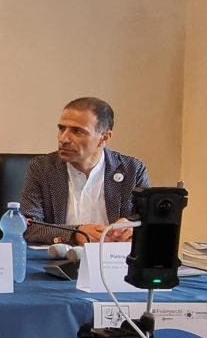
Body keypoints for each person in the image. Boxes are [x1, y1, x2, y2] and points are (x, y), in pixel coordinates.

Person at [21, 97, 149, 245]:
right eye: (62, 129)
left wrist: (132, 228)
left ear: (104, 138)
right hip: (60, 257)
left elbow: (147, 222)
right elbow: (28, 226)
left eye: (77, 131)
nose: (63, 139)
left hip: (114, 257)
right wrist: (75, 234)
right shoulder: (42, 168)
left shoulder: (132, 170)